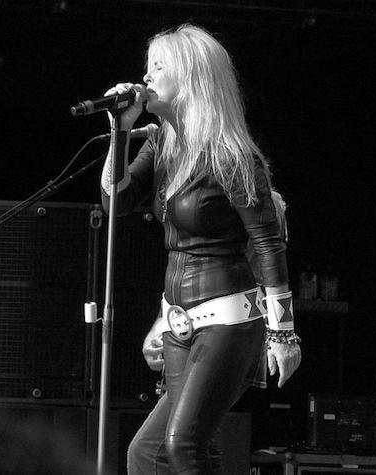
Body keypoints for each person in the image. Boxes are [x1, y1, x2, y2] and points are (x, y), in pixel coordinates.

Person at [100, 23, 301, 474]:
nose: (146, 78)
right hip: (180, 320)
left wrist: (283, 334)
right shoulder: (162, 143)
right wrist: (119, 129)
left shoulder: (231, 154)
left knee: (183, 444)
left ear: (191, 77)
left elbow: (269, 243)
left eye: (158, 67)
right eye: (146, 68)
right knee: (148, 454)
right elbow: (115, 204)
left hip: (229, 319)